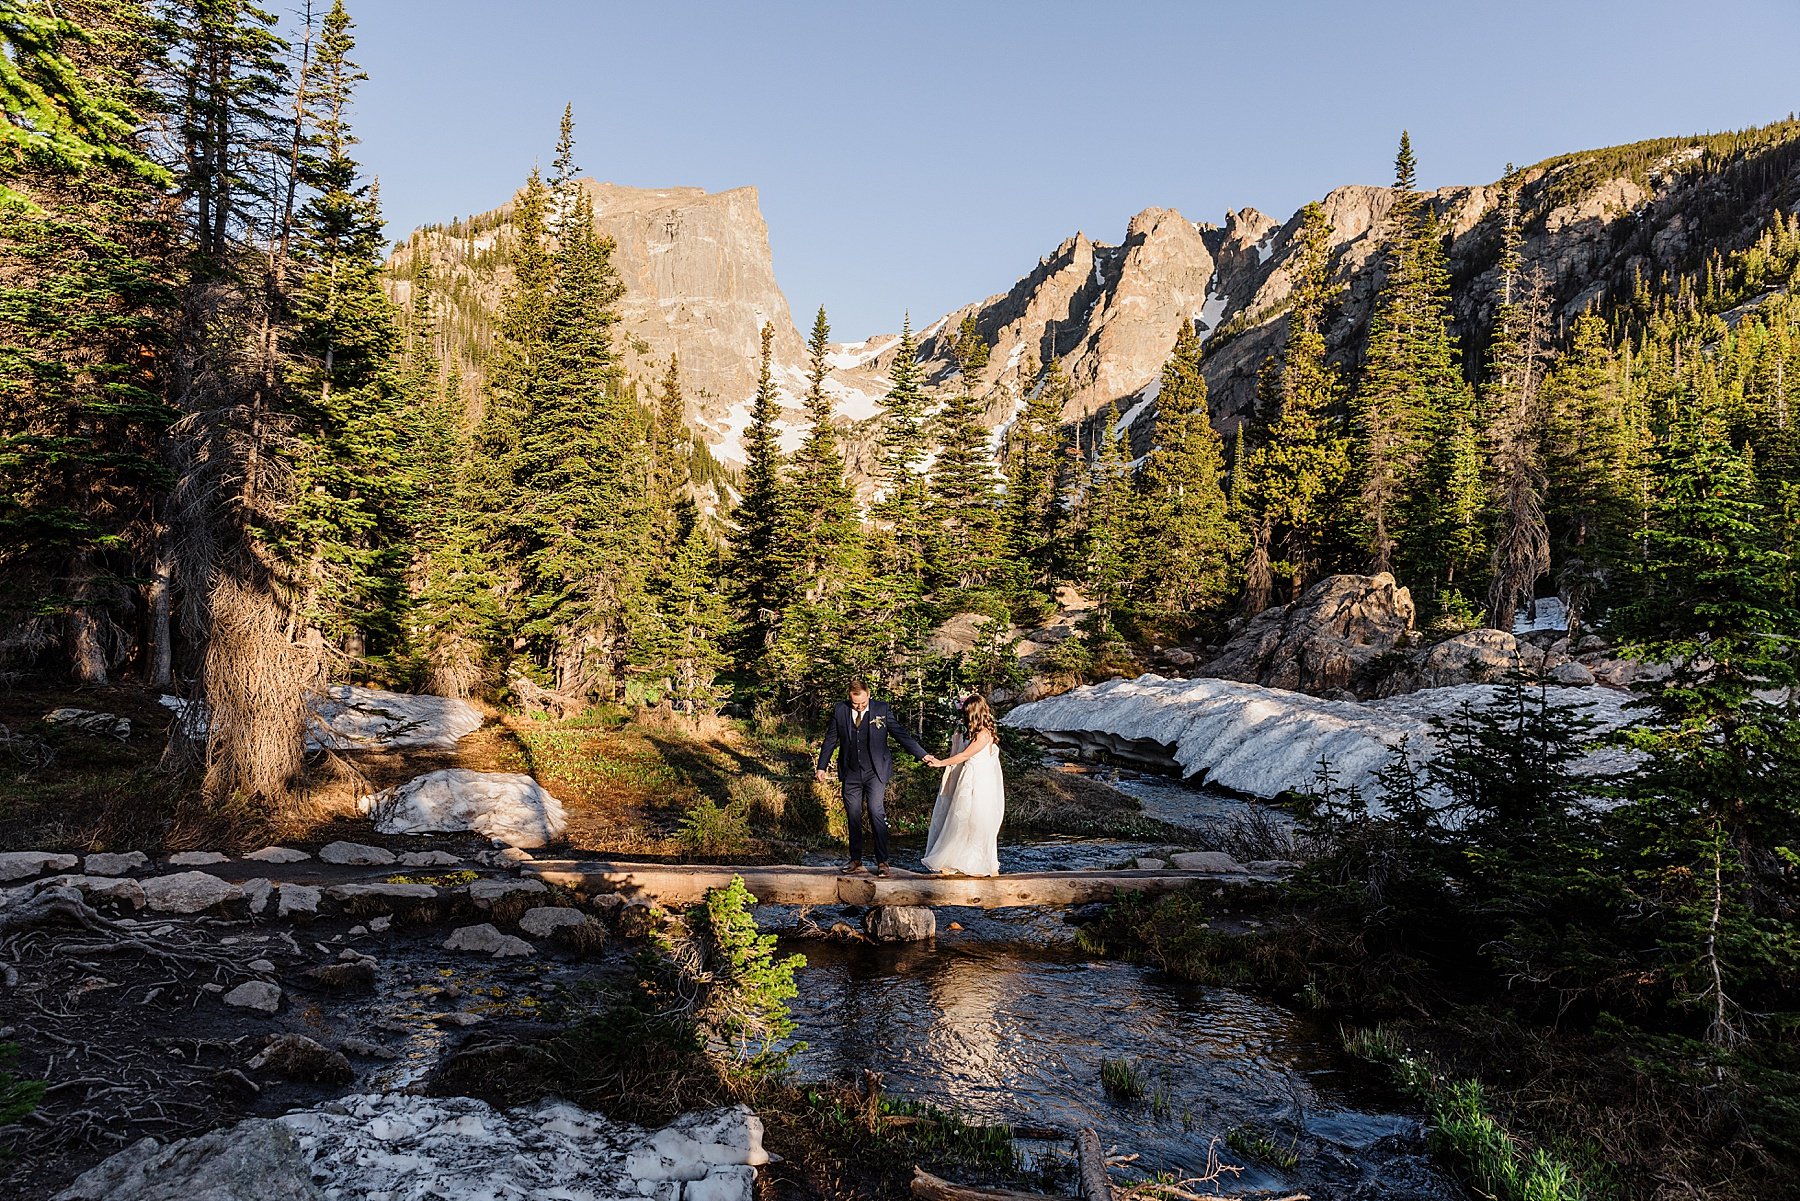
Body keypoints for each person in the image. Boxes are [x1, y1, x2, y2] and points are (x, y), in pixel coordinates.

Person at [815, 679, 939, 877]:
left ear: (868, 695)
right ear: (849, 697)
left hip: (876, 771)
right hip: (851, 772)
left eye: (862, 703)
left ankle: (883, 862)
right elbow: (831, 739)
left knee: (876, 812)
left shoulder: (881, 709)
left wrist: (923, 755)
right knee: (853, 815)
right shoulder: (840, 711)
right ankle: (856, 860)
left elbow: (901, 734)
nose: (859, 706)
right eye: (855, 703)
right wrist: (821, 766)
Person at [921, 693, 1005, 877]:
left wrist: (940, 762)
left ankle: (980, 862)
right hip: (968, 779)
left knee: (976, 820)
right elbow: (960, 751)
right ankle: (956, 861)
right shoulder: (969, 732)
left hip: (981, 782)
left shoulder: (984, 734)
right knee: (961, 819)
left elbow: (965, 755)